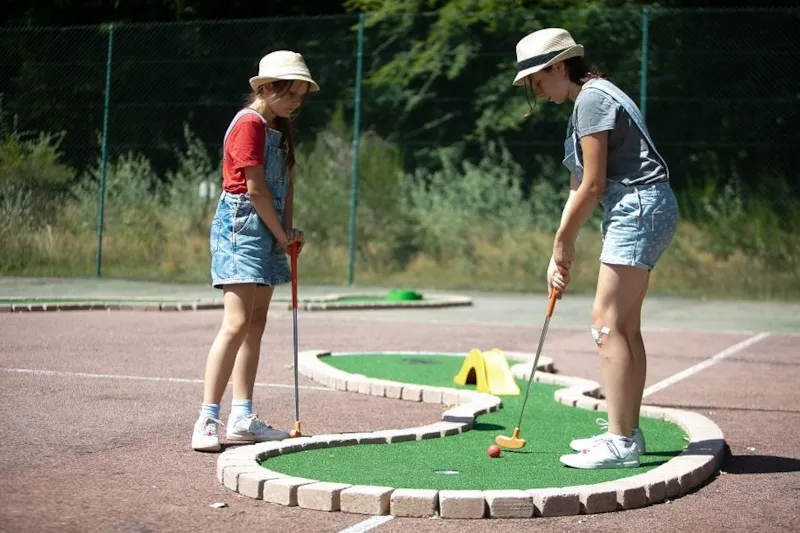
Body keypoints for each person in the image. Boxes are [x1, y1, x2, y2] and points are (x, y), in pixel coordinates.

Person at [512, 28, 679, 469]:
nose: (537, 90)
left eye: (538, 80)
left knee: (606, 324)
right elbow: (577, 185)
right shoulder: (588, 100)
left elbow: (593, 185)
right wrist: (560, 253)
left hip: (639, 206)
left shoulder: (591, 99)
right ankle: (625, 431)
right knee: (624, 326)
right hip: (641, 206)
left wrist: (562, 240)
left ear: (560, 66)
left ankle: (620, 441)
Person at [192, 50, 319, 452]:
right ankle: (207, 418)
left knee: (257, 323)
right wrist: (280, 234)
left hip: (268, 227)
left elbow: (286, 186)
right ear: (266, 88)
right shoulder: (249, 124)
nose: (296, 102)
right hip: (242, 227)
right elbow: (255, 188)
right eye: (290, 93)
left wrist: (288, 229)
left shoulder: (277, 129)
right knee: (236, 322)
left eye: (301, 95)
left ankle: (242, 416)